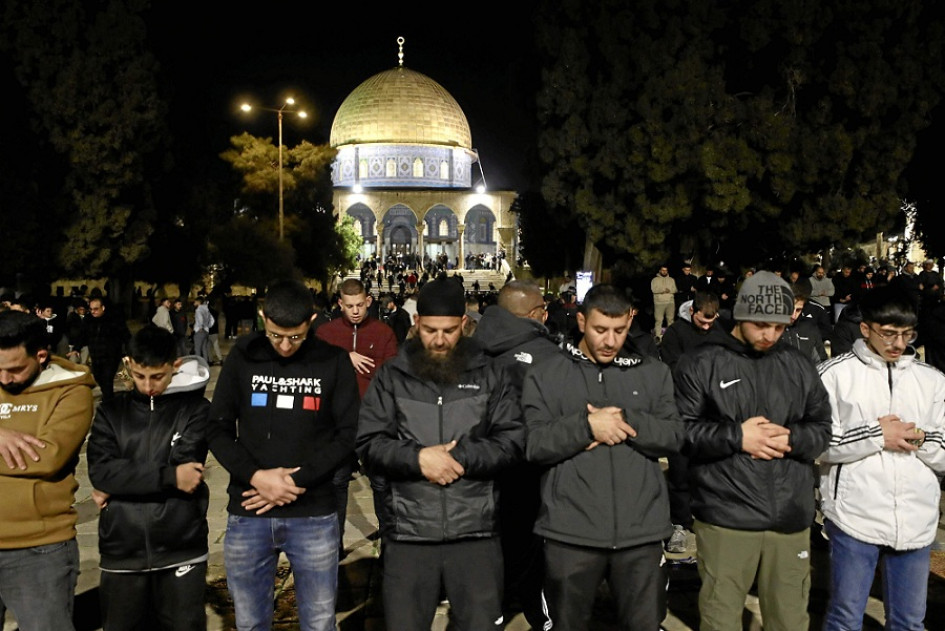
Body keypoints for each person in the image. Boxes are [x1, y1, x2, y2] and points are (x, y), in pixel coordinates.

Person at [356, 276, 524, 630]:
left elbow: (511, 441)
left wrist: (459, 458)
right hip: (409, 534)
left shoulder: (492, 373)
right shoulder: (391, 376)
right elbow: (370, 443)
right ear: (416, 322)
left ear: (464, 324)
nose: (439, 340)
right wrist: (418, 459)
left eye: (449, 331)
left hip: (476, 533)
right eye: (430, 330)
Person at [673, 271, 832, 630]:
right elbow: (680, 431)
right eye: (761, 325)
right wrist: (737, 436)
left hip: (790, 515)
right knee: (721, 618)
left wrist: (791, 439)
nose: (770, 335)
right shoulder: (701, 362)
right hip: (727, 515)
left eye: (779, 327)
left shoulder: (797, 364)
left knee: (790, 620)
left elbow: (822, 429)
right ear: (741, 315)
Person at [522, 284, 683, 630]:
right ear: (581, 321)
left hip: (641, 533)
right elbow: (534, 444)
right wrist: (586, 427)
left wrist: (626, 420)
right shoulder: (546, 374)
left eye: (619, 330)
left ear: (630, 322)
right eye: (600, 330)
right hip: (569, 533)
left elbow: (674, 437)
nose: (610, 341)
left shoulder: (653, 373)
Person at [207, 280, 360, 631]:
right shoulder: (243, 356)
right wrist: (257, 477)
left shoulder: (333, 361)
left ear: (312, 321)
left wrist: (295, 481)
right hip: (250, 509)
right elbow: (217, 428)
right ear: (263, 318)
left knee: (319, 621)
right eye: (276, 336)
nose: (286, 346)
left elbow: (347, 434)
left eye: (296, 337)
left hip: (313, 513)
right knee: (249, 621)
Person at [818, 286, 945, 630]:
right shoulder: (834, 375)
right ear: (866, 328)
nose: (898, 343)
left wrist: (920, 439)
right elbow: (818, 443)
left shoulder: (933, 381)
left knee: (909, 621)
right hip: (854, 516)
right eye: (888, 333)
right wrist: (876, 435)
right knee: (846, 618)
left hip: (916, 519)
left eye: (907, 334)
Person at [87, 325, 211, 631]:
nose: (148, 385)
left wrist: (120, 482)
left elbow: (188, 470)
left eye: (157, 376)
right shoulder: (110, 412)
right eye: (139, 376)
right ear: (129, 364)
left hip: (181, 545)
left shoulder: (196, 409)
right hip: (121, 548)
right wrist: (169, 476)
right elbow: (101, 471)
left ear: (175, 366)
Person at [0, 310, 96, 630]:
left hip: (38, 549)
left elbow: (47, 457)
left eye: (15, 369)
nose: (4, 379)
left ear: (41, 356)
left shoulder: (71, 390)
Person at [472, 280, 560, 627]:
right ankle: (536, 610)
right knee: (531, 544)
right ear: (535, 314)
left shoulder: (472, 345)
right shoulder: (548, 354)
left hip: (481, 465)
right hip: (530, 465)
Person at [315, 278, 398, 547]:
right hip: (337, 423)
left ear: (368, 302)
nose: (355, 311)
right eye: (349, 306)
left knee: (381, 483)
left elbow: (391, 375)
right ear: (340, 303)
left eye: (360, 305)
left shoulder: (383, 332)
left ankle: (389, 544)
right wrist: (344, 358)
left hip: (373, 422)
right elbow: (315, 372)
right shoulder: (325, 334)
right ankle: (334, 545)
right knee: (337, 482)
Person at [658, 291, 724, 552]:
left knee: (710, 471)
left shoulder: (720, 332)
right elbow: (673, 368)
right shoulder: (675, 333)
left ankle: (708, 518)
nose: (706, 327)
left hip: (713, 413)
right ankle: (679, 523)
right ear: (692, 311)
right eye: (702, 322)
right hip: (682, 411)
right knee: (680, 471)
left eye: (711, 322)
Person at [86, 297, 131, 401]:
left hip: (111, 356)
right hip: (96, 356)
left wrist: (129, 351)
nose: (93, 311)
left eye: (96, 309)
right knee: (98, 377)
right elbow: (82, 335)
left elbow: (126, 335)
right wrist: (76, 348)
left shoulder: (114, 320)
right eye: (91, 309)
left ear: (103, 308)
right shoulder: (88, 320)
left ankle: (108, 401)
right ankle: (107, 396)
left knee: (107, 379)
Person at [651, 264, 678, 338]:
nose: (664, 272)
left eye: (666, 270)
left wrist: (669, 290)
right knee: (659, 320)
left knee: (670, 320)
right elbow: (654, 289)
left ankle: (670, 336)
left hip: (670, 302)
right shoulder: (655, 280)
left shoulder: (671, 280)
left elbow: (675, 289)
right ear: (660, 271)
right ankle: (658, 336)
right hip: (659, 303)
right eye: (663, 270)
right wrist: (663, 290)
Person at [192, 295, 213, 363]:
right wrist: (208, 326)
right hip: (206, 331)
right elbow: (212, 319)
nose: (194, 303)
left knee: (197, 349)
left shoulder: (198, 310)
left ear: (198, 302)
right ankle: (205, 363)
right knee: (204, 349)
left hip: (200, 331)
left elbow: (200, 319)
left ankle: (198, 364)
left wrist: (200, 327)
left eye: (195, 301)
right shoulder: (206, 309)